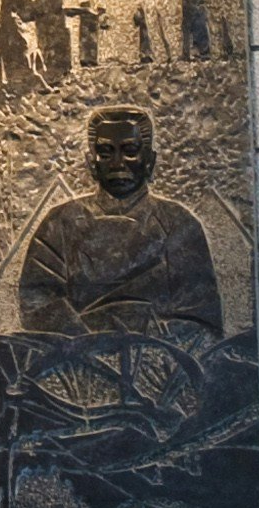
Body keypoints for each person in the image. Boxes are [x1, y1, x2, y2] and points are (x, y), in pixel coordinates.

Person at [18, 108, 224, 337]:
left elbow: (201, 320)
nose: (117, 162)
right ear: (91, 161)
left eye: (130, 151)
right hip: (76, 362)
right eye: (106, 152)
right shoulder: (59, 224)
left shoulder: (179, 224)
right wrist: (90, 343)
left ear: (149, 160)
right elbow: (37, 302)